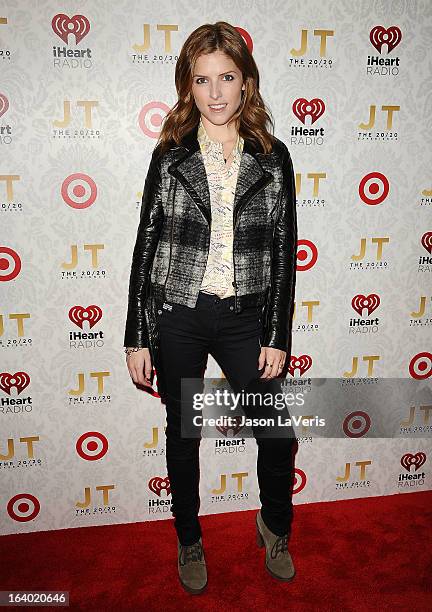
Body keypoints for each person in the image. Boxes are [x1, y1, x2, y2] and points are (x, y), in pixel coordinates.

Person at [124, 21, 298, 595]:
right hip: (179, 313)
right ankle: (189, 537)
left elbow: (282, 251)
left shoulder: (273, 159)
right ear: (187, 87)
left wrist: (276, 335)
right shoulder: (169, 155)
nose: (216, 93)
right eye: (203, 80)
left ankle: (274, 525)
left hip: (247, 316)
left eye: (228, 77)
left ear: (247, 83)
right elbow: (146, 244)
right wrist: (137, 335)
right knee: (185, 435)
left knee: (277, 433)